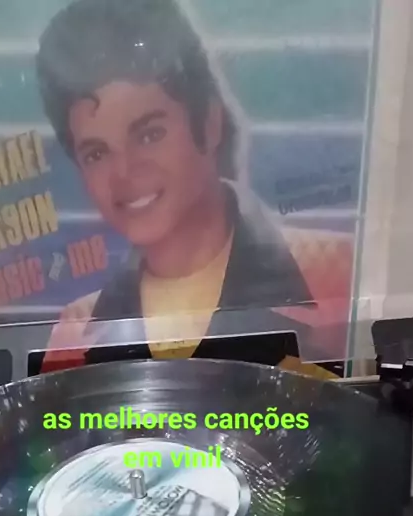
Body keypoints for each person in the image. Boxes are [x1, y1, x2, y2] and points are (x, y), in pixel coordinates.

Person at [36, 0, 315, 364]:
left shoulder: (333, 275)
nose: (125, 171)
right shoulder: (76, 331)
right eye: (97, 153)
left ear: (210, 123)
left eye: (149, 134)